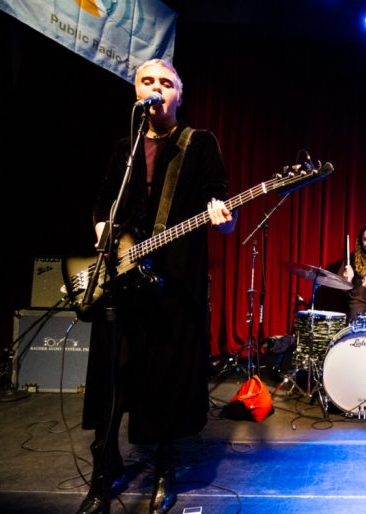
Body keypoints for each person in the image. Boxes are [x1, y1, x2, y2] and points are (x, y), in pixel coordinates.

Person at [77, 59, 236, 514]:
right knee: (113, 375)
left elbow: (218, 196)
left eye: (166, 83)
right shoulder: (125, 148)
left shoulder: (200, 144)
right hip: (121, 280)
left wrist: (223, 218)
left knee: (164, 378)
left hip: (173, 283)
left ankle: (164, 466)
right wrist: (103, 230)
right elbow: (103, 199)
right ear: (135, 91)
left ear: (179, 96)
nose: (156, 87)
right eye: (148, 80)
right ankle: (104, 468)